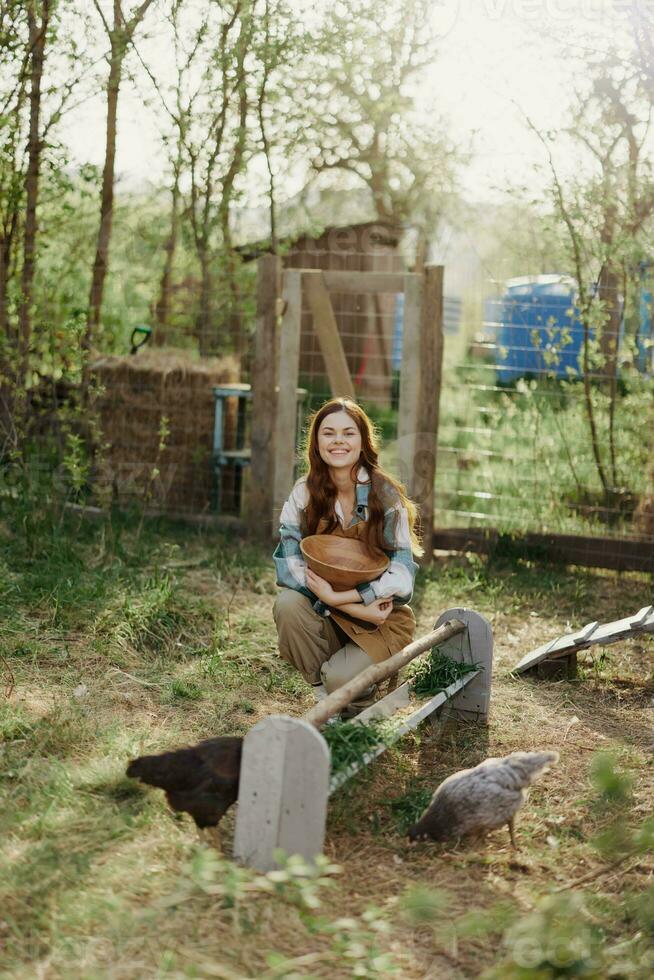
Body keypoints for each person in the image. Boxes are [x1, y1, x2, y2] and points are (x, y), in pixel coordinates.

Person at [273, 397, 423, 712]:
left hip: (380, 621)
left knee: (341, 680)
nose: (338, 440)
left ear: (362, 441)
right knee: (287, 604)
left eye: (348, 433)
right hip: (336, 611)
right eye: (328, 433)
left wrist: (346, 600)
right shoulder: (304, 493)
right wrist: (344, 605)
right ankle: (323, 698)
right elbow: (289, 568)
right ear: (316, 442)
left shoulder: (384, 496)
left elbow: (403, 579)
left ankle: (361, 691)